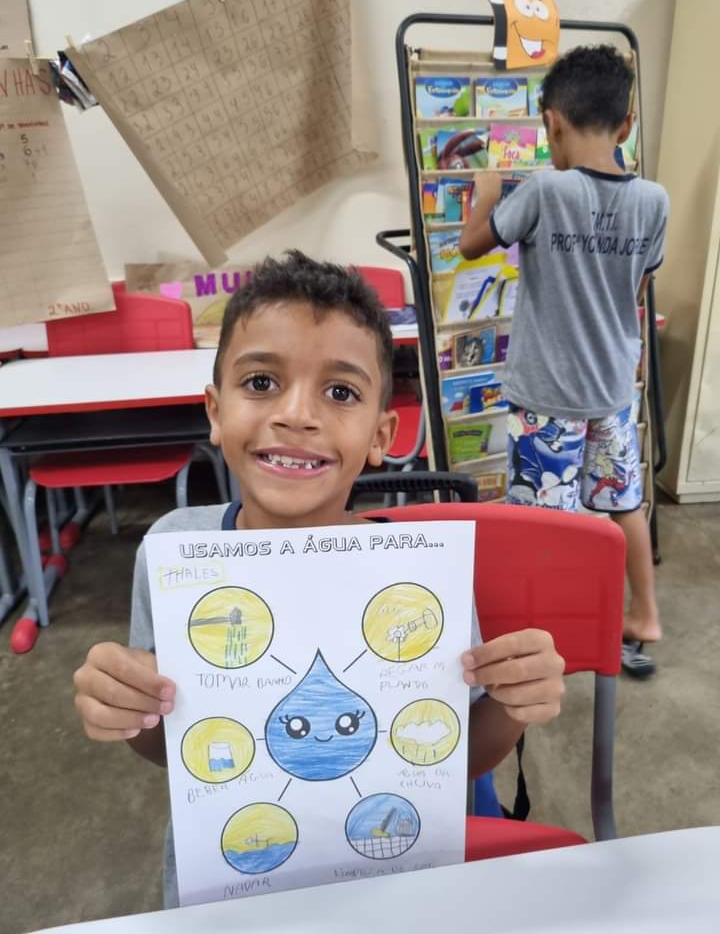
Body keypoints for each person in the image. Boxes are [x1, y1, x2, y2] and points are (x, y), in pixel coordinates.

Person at [73, 250, 565, 907]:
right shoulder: (174, 551)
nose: (297, 415)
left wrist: (511, 702)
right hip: (233, 880)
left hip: (389, 885)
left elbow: (454, 757)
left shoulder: (418, 574)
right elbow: (174, 747)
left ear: (381, 435)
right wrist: (126, 708)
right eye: (261, 383)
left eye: (340, 393)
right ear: (215, 411)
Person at [459, 45, 669, 678]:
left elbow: (471, 245)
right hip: (613, 389)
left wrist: (484, 195)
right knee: (623, 502)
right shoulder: (653, 201)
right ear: (626, 125)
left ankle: (544, 628)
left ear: (551, 122)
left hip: (547, 396)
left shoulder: (545, 190)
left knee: (543, 519)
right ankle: (645, 615)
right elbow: (635, 291)